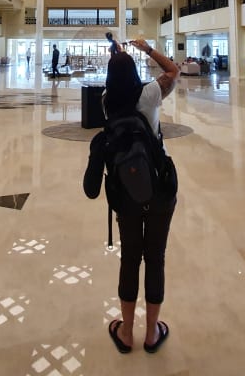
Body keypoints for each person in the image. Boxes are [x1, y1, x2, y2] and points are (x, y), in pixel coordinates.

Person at [84, 39, 179, 354]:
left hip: (125, 192)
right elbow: (173, 71)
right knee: (155, 259)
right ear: (135, 72)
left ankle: (126, 332)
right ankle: (152, 332)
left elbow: (119, 81)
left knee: (130, 259)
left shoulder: (106, 99)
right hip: (159, 187)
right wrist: (146, 49)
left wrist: (118, 58)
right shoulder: (149, 94)